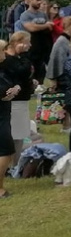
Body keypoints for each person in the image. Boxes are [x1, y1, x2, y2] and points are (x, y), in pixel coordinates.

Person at [0, 33, 36, 159]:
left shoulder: (18, 58)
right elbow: (22, 72)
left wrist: (30, 83)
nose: (29, 45)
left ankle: (14, 162)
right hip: (15, 101)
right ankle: (12, 164)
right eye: (27, 42)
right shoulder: (8, 60)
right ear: (17, 43)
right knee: (16, 134)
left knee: (20, 134)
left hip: (22, 99)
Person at [0, 41, 20, 197]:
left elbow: (14, 83)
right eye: (2, 51)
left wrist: (15, 89)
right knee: (6, 150)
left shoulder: (3, 69)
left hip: (5, 114)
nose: (5, 53)